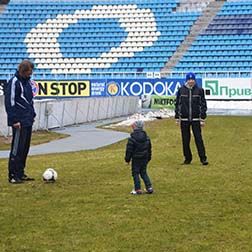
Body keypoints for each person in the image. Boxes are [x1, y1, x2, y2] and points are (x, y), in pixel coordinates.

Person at [4, 59, 36, 183]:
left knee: (24, 148)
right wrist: (14, 119)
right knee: (17, 148)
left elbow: (29, 101)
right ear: (23, 71)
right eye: (29, 72)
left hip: (27, 120)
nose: (30, 74)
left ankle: (20, 172)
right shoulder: (14, 82)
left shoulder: (28, 83)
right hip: (19, 121)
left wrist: (32, 114)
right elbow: (10, 102)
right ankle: (12, 175)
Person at [175, 72, 208, 166]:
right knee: (185, 140)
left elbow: (203, 104)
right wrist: (177, 117)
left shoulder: (200, 90)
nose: (191, 81)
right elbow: (178, 104)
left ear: (195, 80)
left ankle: (203, 158)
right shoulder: (181, 90)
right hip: (184, 119)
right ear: (186, 80)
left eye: (192, 79)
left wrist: (202, 118)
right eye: (189, 79)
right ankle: (187, 158)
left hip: (196, 119)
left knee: (198, 139)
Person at [125, 120, 153, 194]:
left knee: (135, 173)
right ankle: (149, 187)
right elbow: (149, 149)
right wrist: (149, 157)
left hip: (136, 158)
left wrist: (127, 159)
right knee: (143, 172)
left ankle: (137, 189)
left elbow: (129, 150)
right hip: (145, 158)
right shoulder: (147, 138)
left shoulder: (132, 139)